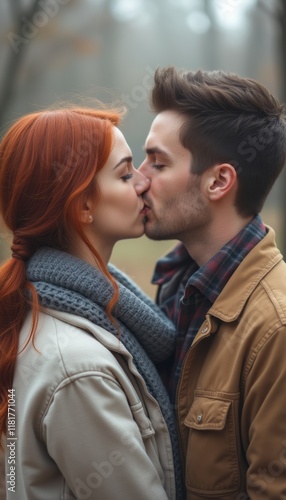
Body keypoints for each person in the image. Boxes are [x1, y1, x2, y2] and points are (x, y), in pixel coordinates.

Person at [0, 106, 184, 500]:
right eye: (124, 174)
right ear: (82, 206)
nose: (142, 183)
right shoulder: (77, 369)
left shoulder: (43, 312)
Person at [139, 66, 286, 499]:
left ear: (218, 181)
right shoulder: (177, 288)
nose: (139, 178)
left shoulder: (276, 329)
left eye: (158, 162)